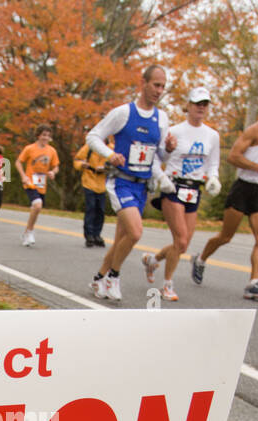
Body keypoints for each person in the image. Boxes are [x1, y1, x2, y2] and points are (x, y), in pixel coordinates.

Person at [84, 65, 177, 302]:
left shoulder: (162, 118)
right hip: (121, 182)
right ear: (143, 83)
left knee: (121, 242)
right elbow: (93, 136)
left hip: (142, 185)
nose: (159, 90)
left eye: (163, 86)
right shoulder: (124, 113)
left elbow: (159, 157)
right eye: (156, 84)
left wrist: (168, 149)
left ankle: (98, 278)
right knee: (135, 233)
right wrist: (109, 154)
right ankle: (113, 276)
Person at [191, 91, 258, 300]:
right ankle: (200, 259)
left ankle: (253, 284)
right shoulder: (256, 130)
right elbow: (233, 156)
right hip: (243, 189)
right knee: (225, 237)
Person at [141, 88, 222, 301]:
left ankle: (152, 260)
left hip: (194, 189)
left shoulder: (212, 135)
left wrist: (213, 178)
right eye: (197, 103)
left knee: (183, 245)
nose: (201, 108)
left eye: (205, 104)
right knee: (181, 239)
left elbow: (213, 164)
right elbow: (157, 157)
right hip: (173, 188)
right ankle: (167, 284)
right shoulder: (175, 131)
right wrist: (162, 178)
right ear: (188, 105)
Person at [16, 128, 61, 247]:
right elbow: (18, 162)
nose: (45, 138)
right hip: (29, 181)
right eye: (43, 135)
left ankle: (26, 232)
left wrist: (53, 172)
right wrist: (23, 176)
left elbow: (56, 166)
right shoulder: (30, 148)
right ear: (38, 136)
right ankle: (30, 232)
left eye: (48, 135)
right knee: (37, 204)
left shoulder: (52, 151)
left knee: (36, 209)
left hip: (41, 182)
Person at [73, 137, 112, 247]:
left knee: (100, 210)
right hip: (89, 181)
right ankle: (89, 235)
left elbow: (116, 163)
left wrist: (107, 168)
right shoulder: (89, 147)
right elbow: (77, 160)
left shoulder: (111, 148)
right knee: (91, 208)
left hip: (102, 183)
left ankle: (97, 235)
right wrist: (82, 165)